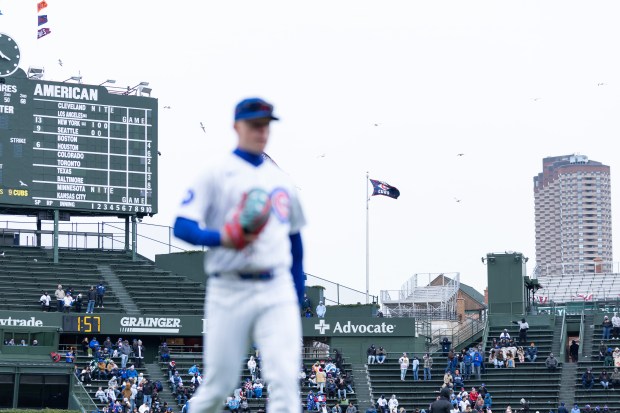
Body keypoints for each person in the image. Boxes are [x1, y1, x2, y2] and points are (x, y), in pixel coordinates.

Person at [174, 96, 306, 413]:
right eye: (255, 125)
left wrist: (296, 294)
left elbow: (296, 242)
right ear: (237, 126)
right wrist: (221, 237)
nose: (261, 132)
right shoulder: (216, 173)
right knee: (218, 386)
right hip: (229, 286)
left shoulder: (282, 181)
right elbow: (182, 226)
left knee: (287, 383)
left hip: (276, 287)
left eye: (266, 126)